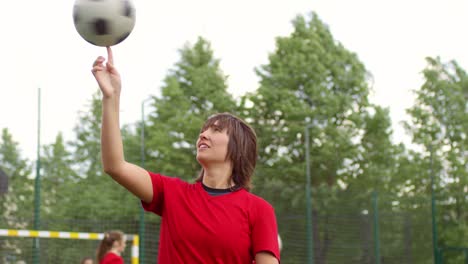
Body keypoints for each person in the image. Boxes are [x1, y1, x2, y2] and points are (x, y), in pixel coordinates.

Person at [91, 47, 280, 264]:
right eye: (204, 129)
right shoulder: (172, 194)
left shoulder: (259, 210)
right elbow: (114, 165)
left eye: (216, 130)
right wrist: (111, 97)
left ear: (238, 148)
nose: (204, 134)